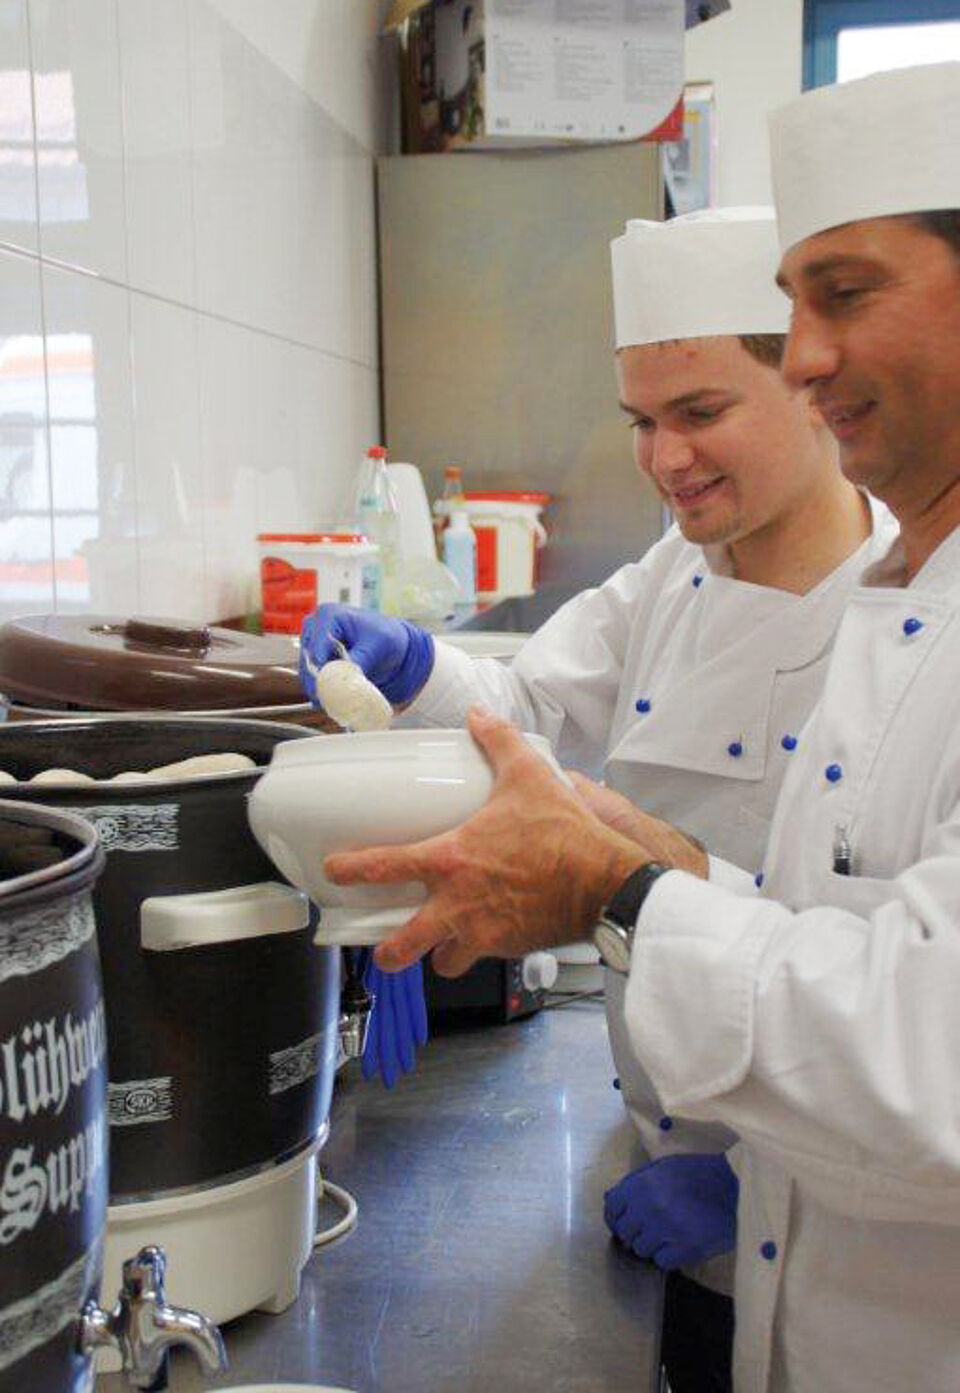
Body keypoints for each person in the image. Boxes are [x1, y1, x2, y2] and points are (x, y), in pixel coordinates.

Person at [323, 62, 960, 1392]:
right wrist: (416, 670)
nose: (666, 457)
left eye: (847, 297)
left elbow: (922, 1046)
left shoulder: (891, 607)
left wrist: (618, 892)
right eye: (642, 423)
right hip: (772, 1219)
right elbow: (803, 915)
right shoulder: (758, 585)